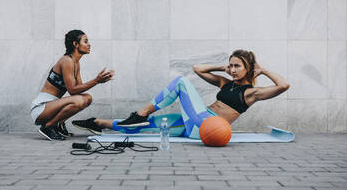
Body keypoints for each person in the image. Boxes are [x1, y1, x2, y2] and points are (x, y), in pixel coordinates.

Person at [72, 49, 289, 139]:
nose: (232, 70)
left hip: (207, 126)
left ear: (248, 69)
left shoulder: (251, 93)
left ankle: (142, 112)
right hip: (194, 125)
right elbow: (198, 69)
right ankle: (99, 123)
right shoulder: (225, 83)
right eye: (230, 65)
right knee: (152, 124)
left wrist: (262, 69)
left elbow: (283, 85)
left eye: (237, 66)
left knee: (181, 82)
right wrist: (221, 67)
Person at [30, 29, 114, 140]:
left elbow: (78, 91)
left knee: (87, 98)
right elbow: (73, 90)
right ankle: (49, 126)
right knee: (79, 100)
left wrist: (98, 81)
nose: (89, 44)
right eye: (85, 41)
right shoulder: (67, 61)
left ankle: (58, 124)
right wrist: (96, 81)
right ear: (75, 44)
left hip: (51, 106)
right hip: (40, 108)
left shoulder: (76, 63)